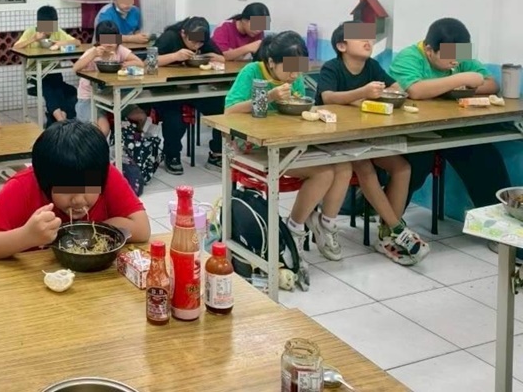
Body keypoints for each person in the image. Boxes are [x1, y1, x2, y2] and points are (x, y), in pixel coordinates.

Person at [224, 31, 353, 261]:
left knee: (344, 166)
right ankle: (294, 229)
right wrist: (269, 96)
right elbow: (229, 111)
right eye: (290, 69)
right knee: (323, 173)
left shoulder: (294, 78)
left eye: (298, 69)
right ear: (271, 62)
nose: (294, 75)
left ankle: (326, 224)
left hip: (289, 142)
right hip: (255, 147)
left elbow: (296, 108)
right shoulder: (252, 72)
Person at [316, 22, 428, 265]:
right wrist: (362, 93)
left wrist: (394, 94)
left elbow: (396, 88)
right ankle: (397, 229)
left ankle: (386, 233)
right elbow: (328, 97)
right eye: (360, 38)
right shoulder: (332, 67)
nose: (368, 41)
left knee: (402, 167)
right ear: (342, 46)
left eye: (369, 37)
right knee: (365, 168)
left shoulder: (372, 66)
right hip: (335, 140)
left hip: (366, 136)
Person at [0, 121, 151, 260]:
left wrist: (93, 230)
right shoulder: (23, 186)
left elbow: (142, 229)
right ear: (46, 183)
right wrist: (27, 236)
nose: (78, 200)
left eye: (88, 188)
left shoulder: (103, 173)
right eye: (67, 189)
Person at [390, 17, 511, 214]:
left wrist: (461, 85)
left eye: (458, 55)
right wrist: (460, 79)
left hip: (453, 128)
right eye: (448, 56)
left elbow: (492, 84)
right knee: (416, 165)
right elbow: (416, 90)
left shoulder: (457, 53)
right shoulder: (409, 57)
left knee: (485, 159)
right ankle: (389, 221)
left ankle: (496, 221)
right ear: (429, 50)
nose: (455, 61)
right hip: (414, 132)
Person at [151, 16, 226, 174]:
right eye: (193, 42)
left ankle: (217, 154)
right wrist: (174, 56)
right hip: (165, 90)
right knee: (175, 119)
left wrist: (211, 59)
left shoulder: (202, 38)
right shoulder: (170, 37)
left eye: (200, 43)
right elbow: (147, 62)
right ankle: (172, 155)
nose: (197, 46)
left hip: (193, 90)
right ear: (183, 33)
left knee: (223, 108)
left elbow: (221, 58)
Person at [74, 20, 144, 137]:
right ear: (99, 40)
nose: (110, 43)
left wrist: (124, 64)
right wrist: (93, 55)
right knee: (103, 129)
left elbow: (140, 63)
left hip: (111, 96)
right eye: (105, 39)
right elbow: (75, 68)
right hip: (89, 98)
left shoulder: (119, 50)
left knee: (141, 117)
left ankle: (133, 144)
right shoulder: (93, 52)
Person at [13, 5, 80, 125]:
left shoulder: (57, 32)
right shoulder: (31, 32)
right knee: (50, 89)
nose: (49, 29)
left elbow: (77, 42)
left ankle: (57, 122)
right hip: (35, 73)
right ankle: (62, 121)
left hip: (54, 72)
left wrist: (61, 43)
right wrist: (33, 39)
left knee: (69, 91)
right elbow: (15, 47)